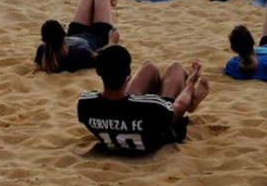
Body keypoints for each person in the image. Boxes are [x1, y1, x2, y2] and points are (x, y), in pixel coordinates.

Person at [77, 46, 210, 153]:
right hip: (163, 129)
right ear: (128, 74)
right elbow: (179, 107)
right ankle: (191, 101)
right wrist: (190, 84)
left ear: (99, 73)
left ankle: (188, 98)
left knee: (149, 67)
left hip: (123, 123)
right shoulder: (151, 106)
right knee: (176, 68)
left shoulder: (85, 104)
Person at [36, 0, 121, 73]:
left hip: (75, 33)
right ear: (63, 35)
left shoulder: (43, 51)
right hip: (98, 35)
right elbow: (103, 59)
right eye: (63, 26)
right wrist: (112, 43)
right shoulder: (79, 53)